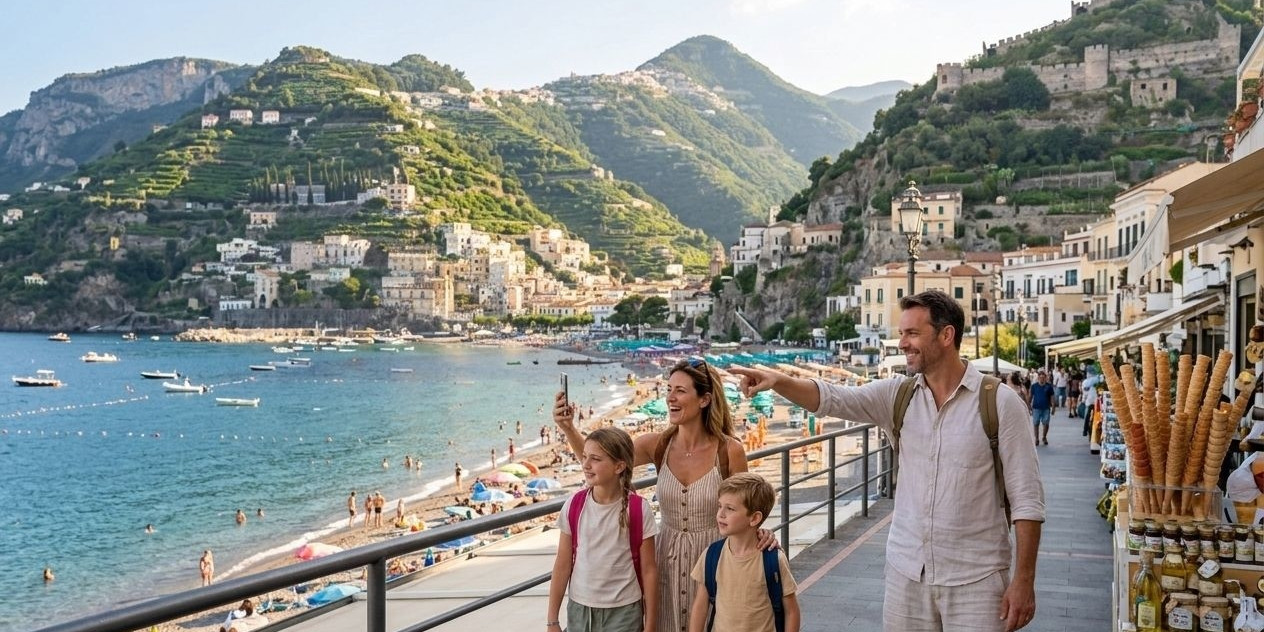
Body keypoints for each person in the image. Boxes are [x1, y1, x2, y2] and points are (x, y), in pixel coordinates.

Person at [729, 290, 1044, 632]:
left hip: (977, 579)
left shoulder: (1000, 403)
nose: (902, 343)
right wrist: (778, 381)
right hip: (906, 573)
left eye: (912, 333)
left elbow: (1027, 499)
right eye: (901, 333)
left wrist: (1023, 581)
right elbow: (833, 398)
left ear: (946, 335)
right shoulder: (898, 395)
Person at [555, 358, 752, 632]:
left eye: (680, 391)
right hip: (665, 565)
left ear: (705, 399)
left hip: (715, 565)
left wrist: (760, 536)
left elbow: (747, 512)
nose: (670, 397)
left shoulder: (730, 451)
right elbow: (604, 466)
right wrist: (569, 429)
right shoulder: (657, 445)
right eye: (668, 389)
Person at [547, 427, 659, 632]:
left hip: (624, 612)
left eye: (596, 459)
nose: (586, 465)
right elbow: (562, 564)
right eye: (584, 457)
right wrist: (552, 620)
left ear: (619, 466)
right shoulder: (574, 506)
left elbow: (649, 570)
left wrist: (650, 624)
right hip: (580, 610)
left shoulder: (638, 509)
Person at [687, 473, 800, 632]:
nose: (721, 514)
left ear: (754, 518)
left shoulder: (773, 559)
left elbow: (791, 610)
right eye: (720, 506)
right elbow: (700, 605)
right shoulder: (711, 555)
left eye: (730, 508)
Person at [1028, 371, 1056, 446]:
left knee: (1046, 424)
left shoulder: (1049, 386)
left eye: (1043, 377)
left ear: (1045, 378)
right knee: (1036, 423)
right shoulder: (1034, 386)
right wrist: (1028, 406)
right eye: (1040, 377)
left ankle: (1044, 437)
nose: (1042, 379)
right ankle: (1036, 438)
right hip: (1036, 408)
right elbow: (1030, 396)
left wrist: (1053, 407)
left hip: (1046, 408)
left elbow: (1052, 397)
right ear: (1038, 378)